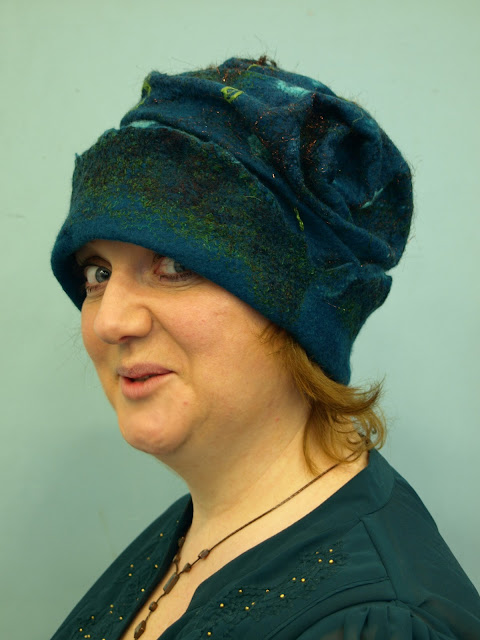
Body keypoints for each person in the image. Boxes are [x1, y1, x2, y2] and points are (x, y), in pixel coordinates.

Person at [50, 56, 480, 640]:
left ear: (295, 313)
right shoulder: (208, 526)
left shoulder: (377, 623)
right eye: (98, 273)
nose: (109, 321)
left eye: (173, 266)